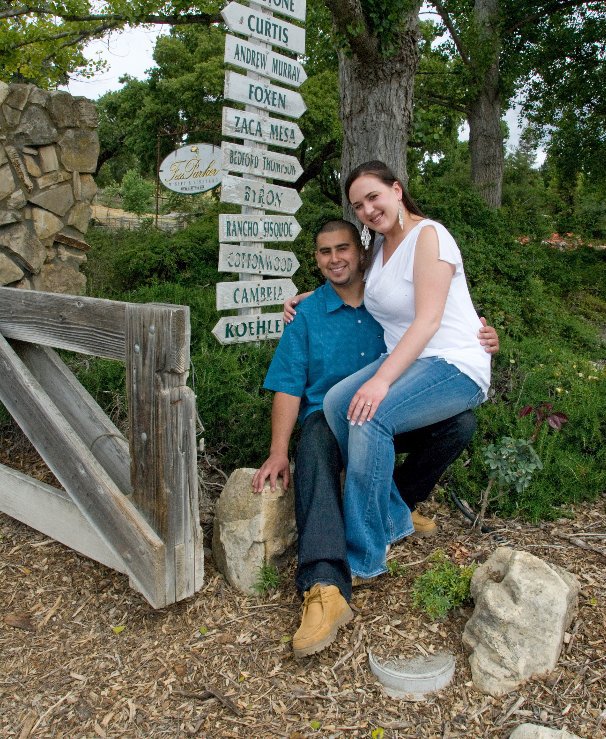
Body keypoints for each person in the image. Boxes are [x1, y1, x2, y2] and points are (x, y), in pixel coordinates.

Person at [252, 218, 498, 658]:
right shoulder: (306, 314)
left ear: (362, 252)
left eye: (343, 248)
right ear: (316, 259)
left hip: (388, 413)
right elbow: (288, 384)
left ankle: (394, 508)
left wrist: (482, 336)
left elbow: (438, 316)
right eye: (325, 252)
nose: (335, 259)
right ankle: (325, 583)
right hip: (329, 419)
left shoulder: (390, 303)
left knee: (459, 424)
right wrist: (276, 451)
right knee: (314, 440)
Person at [322, 161, 491, 585]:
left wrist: (380, 381)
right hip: (411, 357)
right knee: (336, 402)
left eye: (373, 197)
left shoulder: (429, 236)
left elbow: (429, 321)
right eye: (358, 206)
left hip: (452, 361)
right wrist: (307, 297)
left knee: (369, 415)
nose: (367, 210)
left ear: (397, 190)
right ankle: (395, 513)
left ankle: (363, 555)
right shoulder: (379, 246)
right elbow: (358, 286)